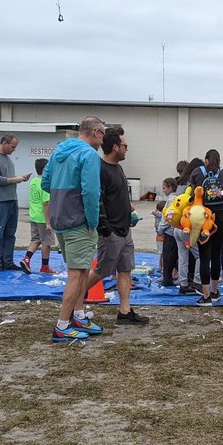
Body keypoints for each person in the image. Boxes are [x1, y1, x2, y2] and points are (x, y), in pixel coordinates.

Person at [43, 116, 106, 342]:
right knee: (76, 274)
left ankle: (78, 316)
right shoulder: (89, 155)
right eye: (103, 134)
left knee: (79, 272)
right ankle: (62, 324)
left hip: (60, 219)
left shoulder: (59, 151)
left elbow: (45, 182)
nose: (103, 140)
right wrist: (92, 221)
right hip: (79, 221)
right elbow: (91, 192)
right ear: (96, 132)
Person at [84, 127, 149, 326]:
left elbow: (118, 196)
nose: (126, 149)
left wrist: (129, 211)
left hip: (125, 229)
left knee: (125, 270)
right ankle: (73, 302)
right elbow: (98, 200)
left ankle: (125, 311)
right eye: (124, 145)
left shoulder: (118, 168)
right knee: (102, 270)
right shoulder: (101, 169)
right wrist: (105, 227)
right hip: (111, 231)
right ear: (114, 147)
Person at [190, 149, 223, 306]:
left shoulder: (197, 173)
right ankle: (215, 292)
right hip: (221, 219)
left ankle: (205, 296)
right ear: (219, 161)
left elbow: (191, 197)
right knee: (216, 255)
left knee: (204, 257)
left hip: (203, 219)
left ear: (206, 160)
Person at [0, 133, 30, 273]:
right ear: (4, 142)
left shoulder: (8, 159)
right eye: (12, 146)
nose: (13, 150)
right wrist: (17, 179)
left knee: (10, 233)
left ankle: (8, 261)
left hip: (12, 200)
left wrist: (19, 179)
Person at [173, 157, 204, 295]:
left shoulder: (180, 184)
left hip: (177, 227)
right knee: (200, 256)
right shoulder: (192, 187)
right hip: (187, 228)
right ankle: (197, 281)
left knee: (183, 257)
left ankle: (183, 283)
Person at [20, 158, 53, 274]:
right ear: (46, 169)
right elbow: (46, 204)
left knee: (35, 240)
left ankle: (26, 259)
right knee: (46, 243)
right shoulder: (45, 184)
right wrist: (48, 222)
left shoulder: (33, 181)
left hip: (33, 216)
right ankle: (45, 266)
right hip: (43, 218)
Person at [158, 177, 179, 286]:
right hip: (174, 230)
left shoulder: (171, 200)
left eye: (164, 188)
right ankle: (170, 274)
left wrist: (161, 229)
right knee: (173, 255)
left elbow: (168, 217)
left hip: (169, 231)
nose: (163, 190)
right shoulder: (177, 198)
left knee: (168, 255)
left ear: (170, 188)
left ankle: (167, 277)